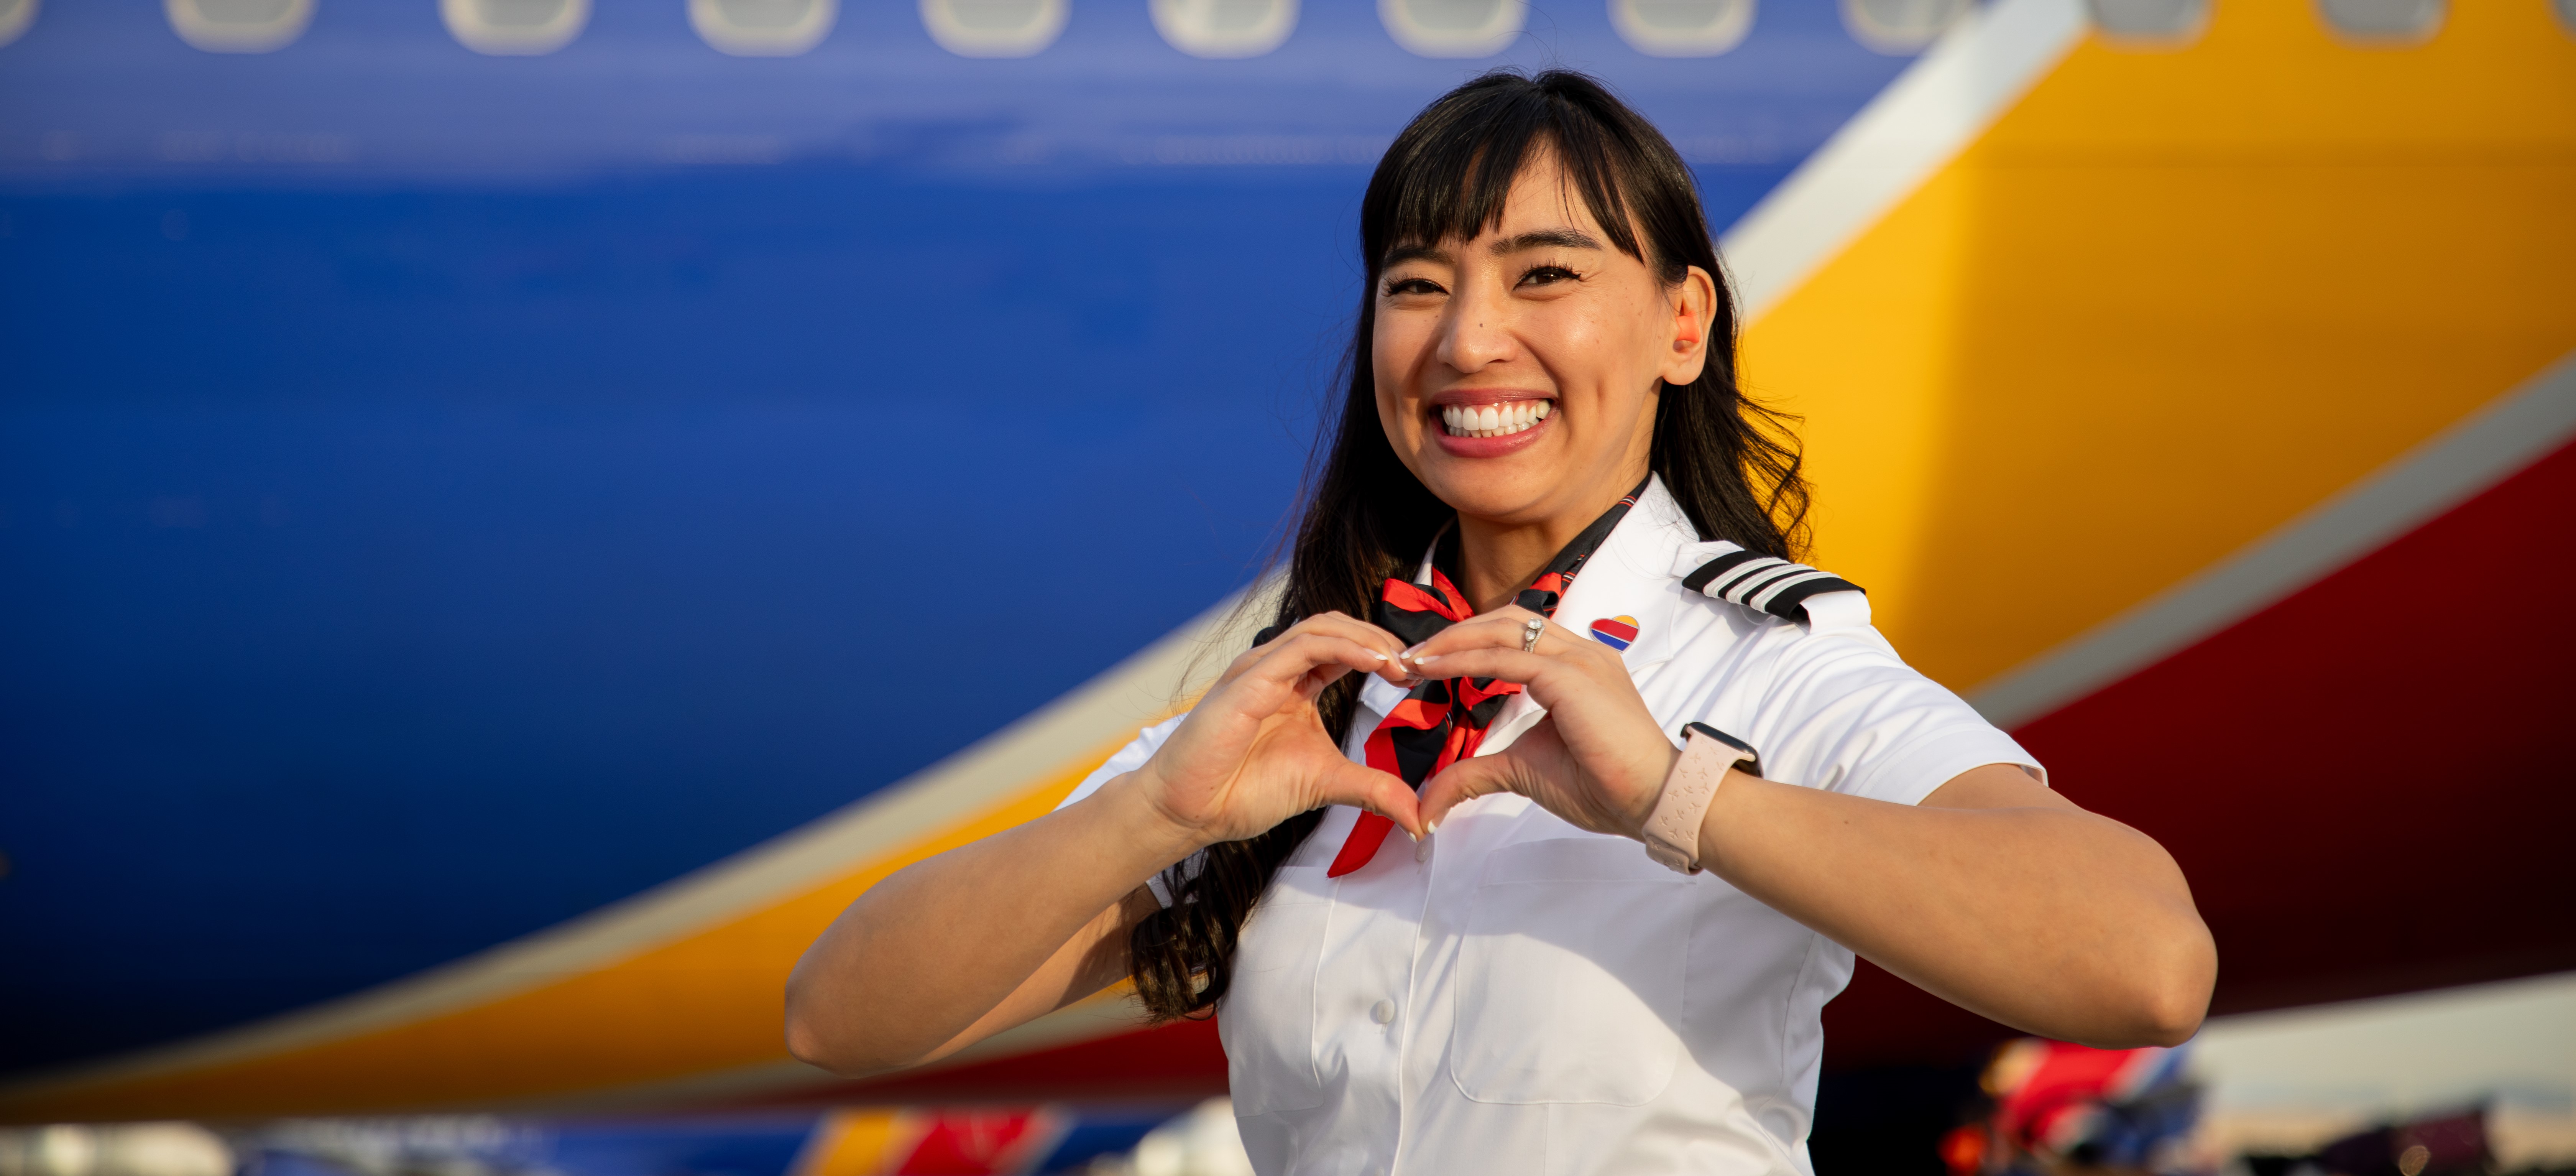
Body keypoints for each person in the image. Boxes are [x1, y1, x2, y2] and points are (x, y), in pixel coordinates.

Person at [785, 70, 2216, 1176]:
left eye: (1544, 274)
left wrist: (1678, 794)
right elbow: (839, 1019)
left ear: (1681, 325)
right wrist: (1155, 813)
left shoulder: (1766, 660)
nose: (1469, 339)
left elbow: (2148, 964)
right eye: (1418, 284)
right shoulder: (1318, 689)